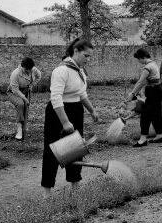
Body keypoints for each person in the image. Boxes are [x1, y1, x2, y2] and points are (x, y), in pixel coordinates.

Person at [41, 38, 99, 198]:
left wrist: (92, 110)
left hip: (75, 110)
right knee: (52, 150)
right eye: (86, 56)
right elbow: (56, 98)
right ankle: (47, 190)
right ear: (76, 51)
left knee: (75, 149)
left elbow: (81, 94)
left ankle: (75, 185)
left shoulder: (79, 71)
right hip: (58, 112)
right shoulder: (61, 71)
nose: (88, 60)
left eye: (90, 57)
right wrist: (65, 122)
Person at [125, 48, 162, 148]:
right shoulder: (154, 64)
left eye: (139, 59)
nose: (139, 62)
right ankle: (159, 135)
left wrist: (132, 94)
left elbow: (140, 82)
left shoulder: (147, 67)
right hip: (158, 91)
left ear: (142, 57)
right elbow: (147, 82)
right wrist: (136, 92)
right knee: (156, 114)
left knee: (145, 115)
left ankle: (143, 139)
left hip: (153, 93)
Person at [7, 57, 42, 140]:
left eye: (30, 69)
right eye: (27, 69)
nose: (29, 71)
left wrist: (32, 85)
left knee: (26, 109)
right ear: (22, 67)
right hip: (14, 92)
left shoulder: (33, 69)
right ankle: (19, 129)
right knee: (20, 104)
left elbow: (39, 76)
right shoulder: (15, 74)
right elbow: (15, 90)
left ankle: (23, 130)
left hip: (26, 91)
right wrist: (24, 98)